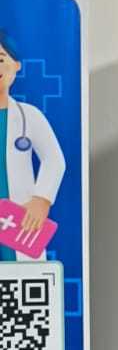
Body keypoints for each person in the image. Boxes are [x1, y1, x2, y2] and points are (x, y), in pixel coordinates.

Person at [0, 29, 65, 261]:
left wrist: (41, 199)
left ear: (17, 65)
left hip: (17, 219)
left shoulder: (29, 116)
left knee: (18, 276)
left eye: (1, 59)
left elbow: (54, 159)